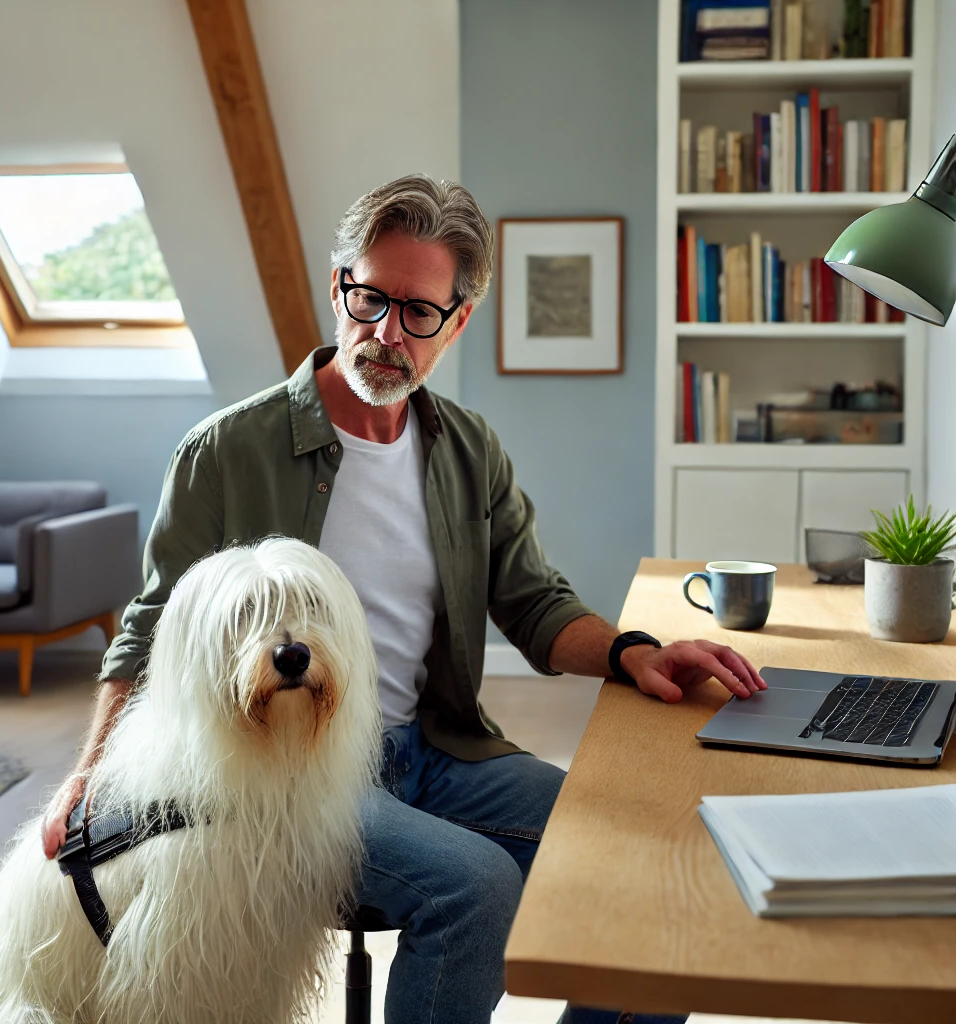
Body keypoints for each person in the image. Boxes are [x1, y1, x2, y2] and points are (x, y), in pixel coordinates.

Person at [41, 175, 765, 1024]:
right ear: (339, 283)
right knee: (479, 888)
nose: (385, 332)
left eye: (418, 312)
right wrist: (85, 775)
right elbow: (150, 628)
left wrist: (632, 651)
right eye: (369, 298)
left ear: (456, 322)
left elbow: (532, 602)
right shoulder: (225, 451)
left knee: (652, 847)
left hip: (436, 749)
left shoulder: (466, 448)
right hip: (290, 770)